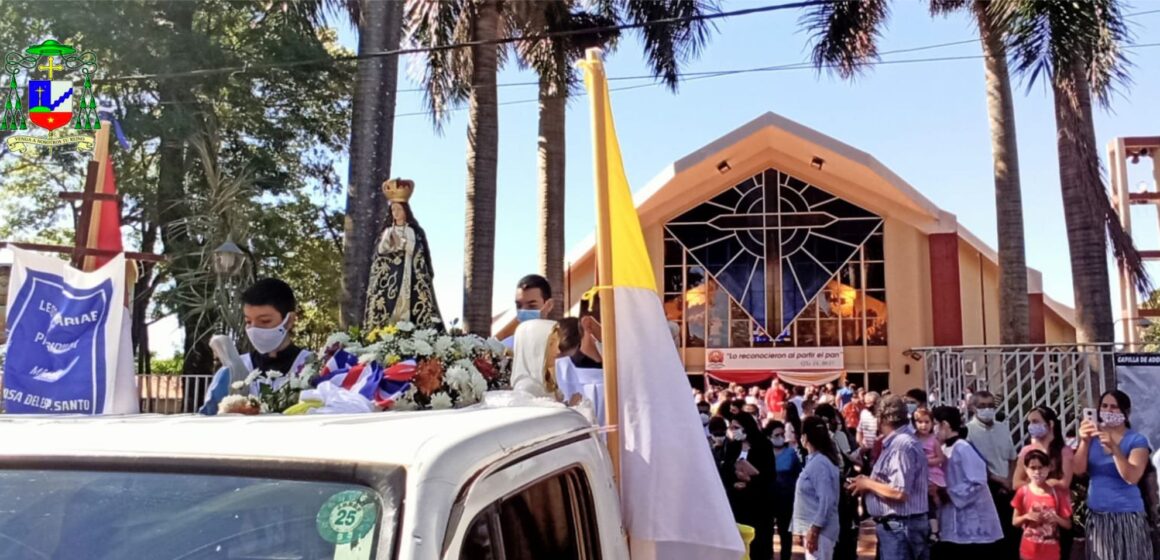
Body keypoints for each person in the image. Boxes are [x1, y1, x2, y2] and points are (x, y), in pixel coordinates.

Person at [200, 279, 312, 415]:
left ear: (289, 320)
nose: (254, 329)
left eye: (265, 321)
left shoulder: (313, 367)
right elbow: (208, 420)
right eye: (248, 321)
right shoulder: (233, 372)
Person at [847, 395, 930, 560]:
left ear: (881, 418)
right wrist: (867, 482)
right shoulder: (897, 442)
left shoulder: (901, 445)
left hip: (901, 526)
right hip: (898, 527)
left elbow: (899, 492)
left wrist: (868, 483)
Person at [1074, 390, 1153, 560]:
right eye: (1104, 406)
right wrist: (1084, 442)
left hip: (1127, 516)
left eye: (1114, 407)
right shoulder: (1093, 436)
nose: (1108, 411)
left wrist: (1115, 449)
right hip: (1098, 517)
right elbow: (1078, 470)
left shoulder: (1137, 440)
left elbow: (1131, 477)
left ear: (1125, 412)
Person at [365, 184, 444, 330]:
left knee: (406, 299)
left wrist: (401, 243)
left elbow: (415, 249)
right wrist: (390, 242)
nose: (395, 213)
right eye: (393, 209)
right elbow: (381, 250)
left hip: (407, 271)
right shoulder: (388, 231)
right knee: (388, 302)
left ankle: (408, 325)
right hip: (390, 275)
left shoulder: (411, 230)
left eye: (398, 209)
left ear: (405, 211)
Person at [931, 405, 1004, 557]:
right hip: (952, 517)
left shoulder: (963, 448)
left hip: (973, 521)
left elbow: (978, 481)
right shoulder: (944, 449)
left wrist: (949, 494)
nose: (934, 430)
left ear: (944, 424)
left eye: (935, 424)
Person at [966, 390, 1019, 556]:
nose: (987, 409)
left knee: (1011, 537)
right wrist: (998, 480)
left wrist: (1009, 480)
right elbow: (973, 464)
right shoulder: (968, 431)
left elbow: (1012, 457)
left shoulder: (1002, 428)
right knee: (991, 542)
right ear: (973, 408)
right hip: (987, 490)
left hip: (1009, 489)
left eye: (990, 405)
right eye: (982, 406)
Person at [723, 412, 777, 560]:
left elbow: (769, 475)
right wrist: (734, 482)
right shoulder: (732, 446)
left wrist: (750, 480)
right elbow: (726, 470)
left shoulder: (763, 445)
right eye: (731, 427)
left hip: (758, 503)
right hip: (738, 502)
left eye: (737, 427)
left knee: (759, 545)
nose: (733, 430)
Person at [794, 416, 842, 560]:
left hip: (820, 532)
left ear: (805, 437)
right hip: (814, 529)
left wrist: (815, 530)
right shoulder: (815, 460)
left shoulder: (820, 463)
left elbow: (826, 501)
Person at [1012, 450, 1073, 560]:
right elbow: (1014, 521)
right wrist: (1026, 516)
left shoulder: (1057, 493)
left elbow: (1068, 524)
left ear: (1049, 468)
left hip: (1051, 551)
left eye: (1041, 467)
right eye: (1033, 468)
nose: (1037, 472)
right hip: (1028, 551)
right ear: (1026, 469)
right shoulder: (1023, 492)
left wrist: (1056, 518)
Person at [1013, 406, 1074, 490]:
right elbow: (1016, 483)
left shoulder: (1064, 451)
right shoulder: (1026, 451)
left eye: (1035, 421)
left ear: (1050, 424)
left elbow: (1064, 483)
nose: (1031, 426)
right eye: (1029, 422)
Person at [766, 420, 801, 560]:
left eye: (782, 434)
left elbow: (798, 475)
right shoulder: (764, 453)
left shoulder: (791, 453)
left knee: (785, 532)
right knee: (767, 532)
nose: (780, 437)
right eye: (776, 435)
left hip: (786, 498)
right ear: (769, 436)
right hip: (767, 498)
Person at [913, 407, 947, 538]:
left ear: (932, 423)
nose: (923, 425)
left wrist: (928, 461)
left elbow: (941, 458)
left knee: (933, 500)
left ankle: (935, 530)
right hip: (917, 476)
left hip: (932, 475)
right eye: (920, 422)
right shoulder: (912, 439)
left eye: (927, 422)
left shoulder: (934, 440)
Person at [496, 274, 555, 347]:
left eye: (532, 306)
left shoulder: (560, 347)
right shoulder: (505, 348)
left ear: (549, 305)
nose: (523, 311)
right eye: (519, 306)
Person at [856, 391, 880, 459]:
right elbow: (859, 431)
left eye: (871, 404)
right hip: (866, 450)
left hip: (879, 451)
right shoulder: (864, 413)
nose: (868, 406)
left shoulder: (881, 415)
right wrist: (861, 445)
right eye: (866, 403)